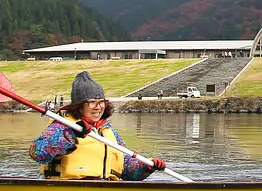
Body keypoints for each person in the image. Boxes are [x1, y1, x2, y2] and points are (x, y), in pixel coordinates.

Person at [29, 71, 167, 180]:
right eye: (92, 102)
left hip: (105, 190)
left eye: (101, 102)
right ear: (79, 106)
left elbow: (127, 170)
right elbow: (37, 153)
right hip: (70, 189)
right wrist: (70, 135)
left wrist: (147, 167)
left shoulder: (107, 131)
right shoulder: (63, 127)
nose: (98, 107)